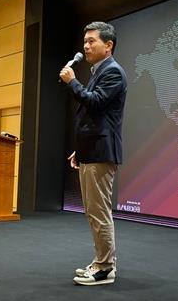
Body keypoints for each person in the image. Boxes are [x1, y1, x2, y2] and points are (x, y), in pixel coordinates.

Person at [59, 21, 127, 286]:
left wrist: (72, 82)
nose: (86, 46)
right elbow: (96, 117)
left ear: (108, 45)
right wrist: (81, 148)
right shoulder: (100, 70)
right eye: (85, 41)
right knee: (93, 211)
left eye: (92, 41)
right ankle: (102, 260)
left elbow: (95, 102)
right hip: (92, 149)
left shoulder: (113, 72)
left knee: (98, 212)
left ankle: (104, 268)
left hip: (102, 152)